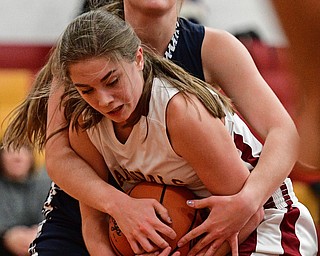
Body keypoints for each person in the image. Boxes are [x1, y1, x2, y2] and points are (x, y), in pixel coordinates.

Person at [6, 9, 319, 256]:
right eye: (86, 89)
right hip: (177, 228)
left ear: (139, 59)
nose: (103, 99)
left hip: (261, 223)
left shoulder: (180, 111)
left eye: (112, 81)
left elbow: (246, 216)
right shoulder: (84, 114)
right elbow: (90, 218)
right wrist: (120, 205)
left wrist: (250, 198)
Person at [0, 143, 51, 256]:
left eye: (23, 150)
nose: (17, 157)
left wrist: (39, 232)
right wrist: (6, 236)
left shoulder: (47, 183)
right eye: (9, 151)